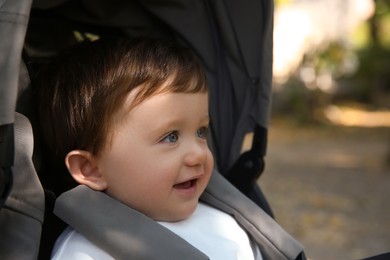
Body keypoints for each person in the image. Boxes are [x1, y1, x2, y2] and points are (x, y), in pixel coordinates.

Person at [35, 38, 304, 260]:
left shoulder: (227, 222)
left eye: (201, 132)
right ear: (91, 169)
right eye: (170, 137)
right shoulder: (86, 252)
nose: (199, 153)